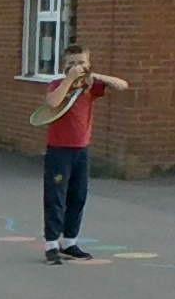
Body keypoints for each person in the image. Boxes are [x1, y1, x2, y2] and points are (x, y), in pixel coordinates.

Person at [40, 44, 130, 263]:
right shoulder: (58, 84)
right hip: (59, 150)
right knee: (56, 196)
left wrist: (95, 76)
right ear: (64, 66)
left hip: (81, 149)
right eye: (71, 63)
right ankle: (51, 244)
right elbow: (52, 102)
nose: (77, 67)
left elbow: (122, 85)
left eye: (81, 62)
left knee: (78, 196)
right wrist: (69, 80)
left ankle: (69, 242)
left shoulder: (90, 87)